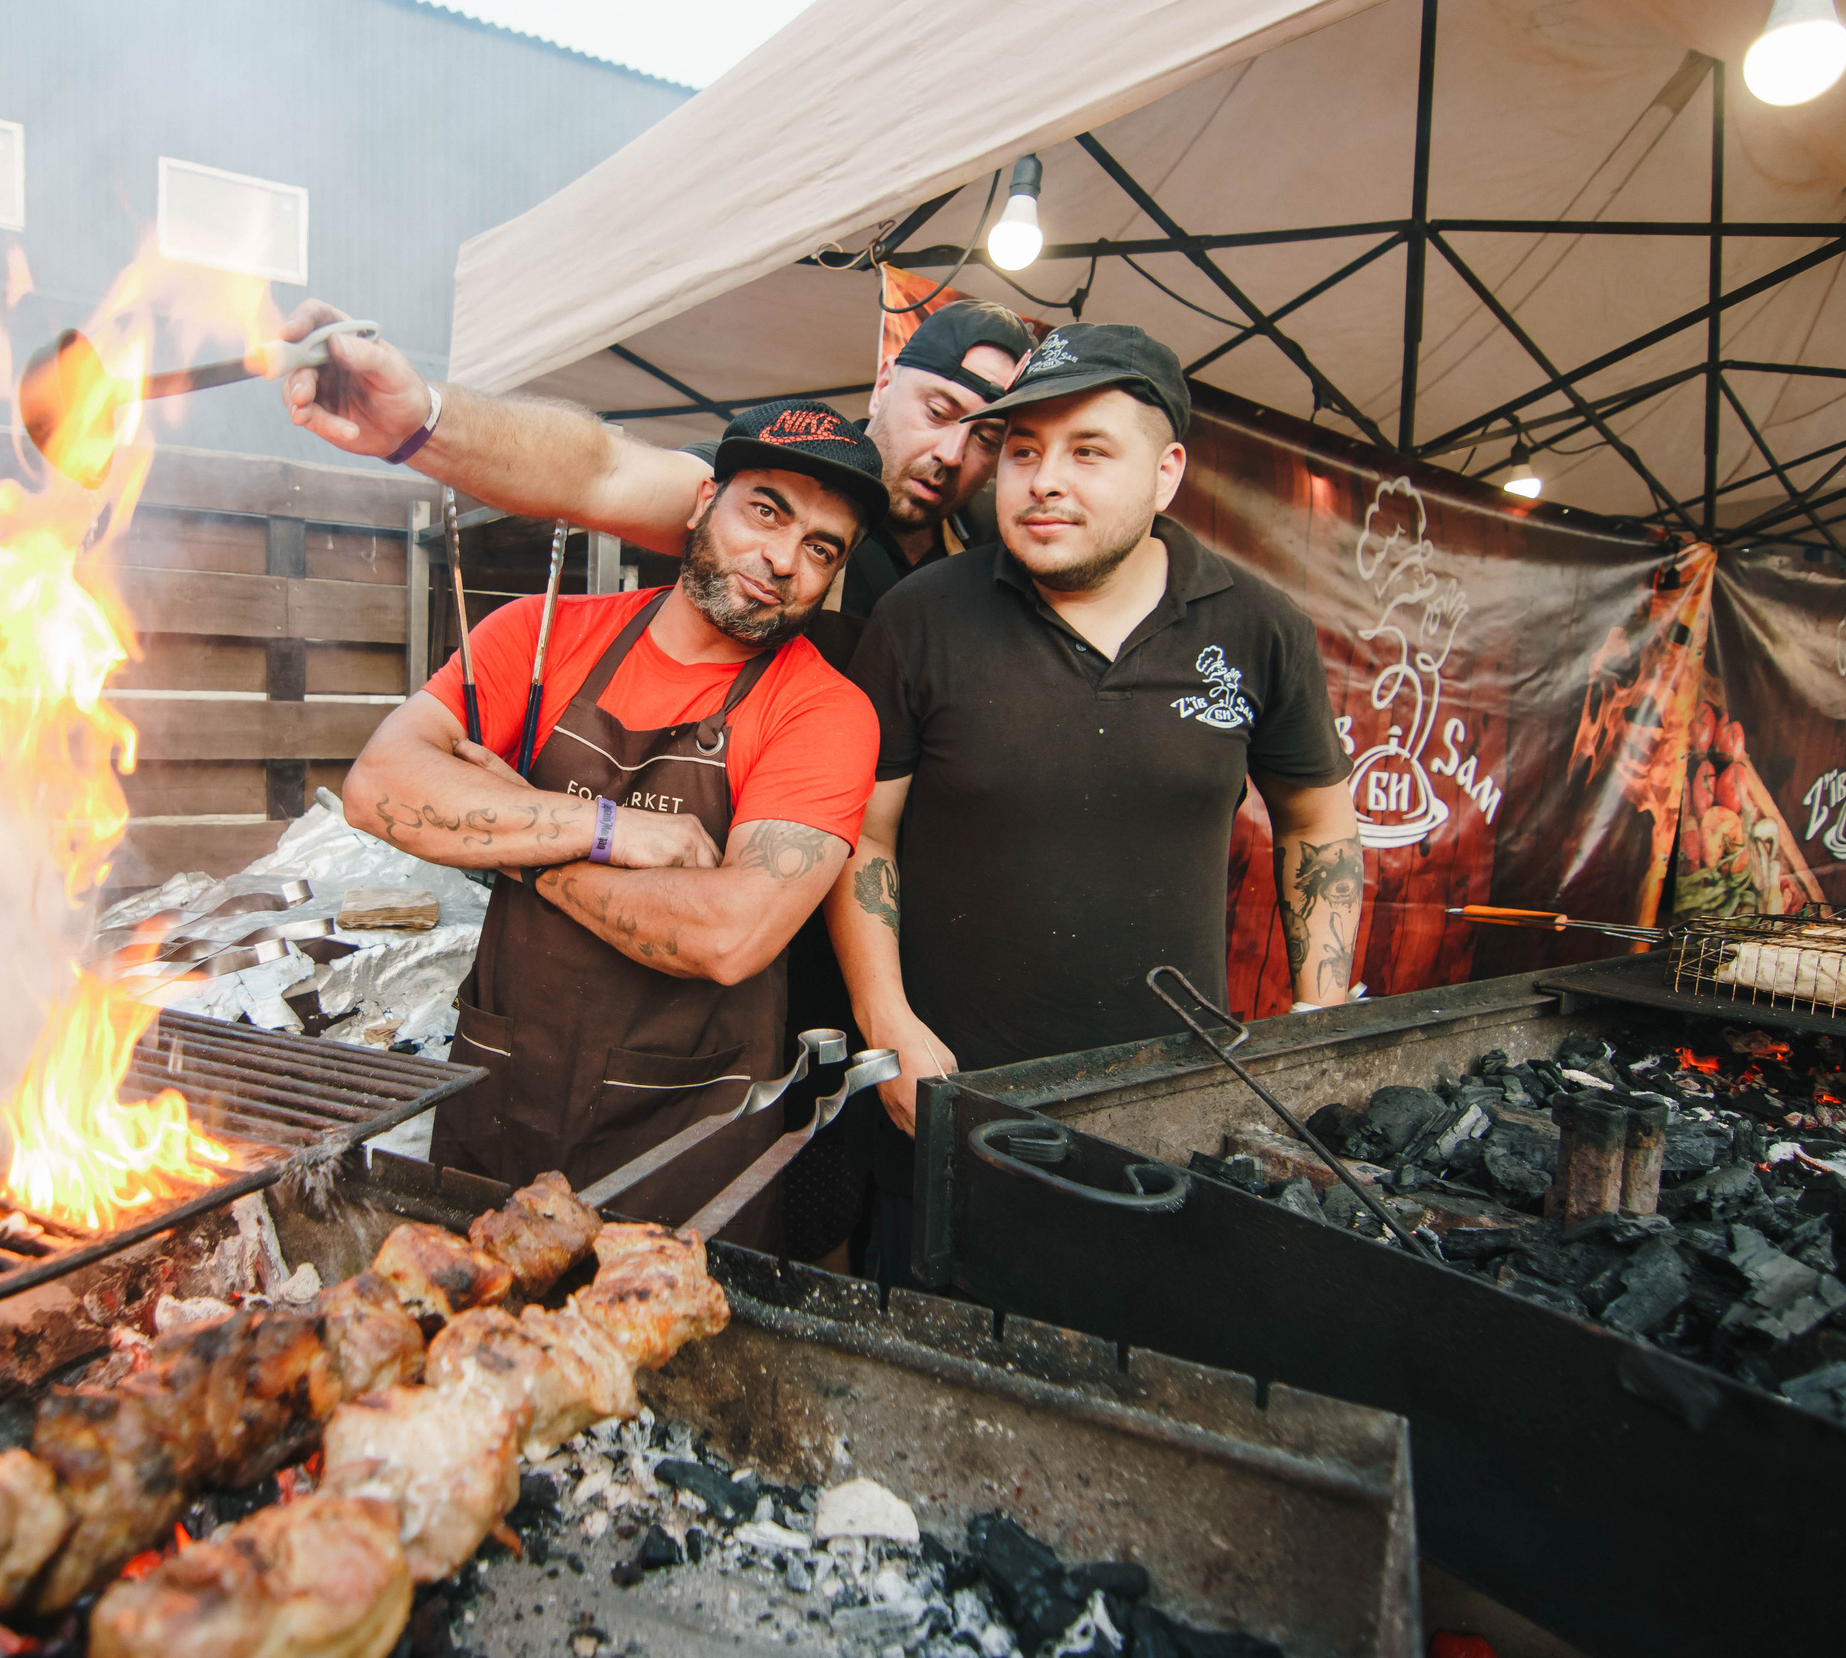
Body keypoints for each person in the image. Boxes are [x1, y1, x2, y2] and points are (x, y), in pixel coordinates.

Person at [825, 324, 1365, 1282]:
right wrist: (887, 1021)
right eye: (1023, 450)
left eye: (1087, 451)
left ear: (1166, 473)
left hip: (1175, 1114)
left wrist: (1317, 1016)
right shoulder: (923, 616)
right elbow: (865, 834)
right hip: (952, 1105)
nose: (1043, 480)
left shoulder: (1257, 623)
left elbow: (1317, 823)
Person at [331, 399, 886, 1245]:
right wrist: (609, 829)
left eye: (821, 549)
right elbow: (379, 787)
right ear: (703, 503)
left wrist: (522, 852)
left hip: (687, 1139)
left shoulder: (825, 710)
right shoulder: (539, 635)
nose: (781, 560)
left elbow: (729, 934)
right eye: (765, 510)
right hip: (503, 1095)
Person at [275, 296, 1033, 619]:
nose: (953, 453)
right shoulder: (794, 465)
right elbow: (602, 468)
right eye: (939, 413)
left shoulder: (994, 555)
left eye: (989, 439)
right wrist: (424, 420)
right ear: (885, 381)